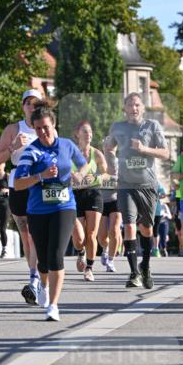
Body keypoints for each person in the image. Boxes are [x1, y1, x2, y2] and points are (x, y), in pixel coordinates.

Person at [14, 105, 89, 321]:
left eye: (45, 127)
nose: (42, 132)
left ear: (53, 125)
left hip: (64, 207)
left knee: (56, 255)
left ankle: (54, 305)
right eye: (37, 129)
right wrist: (41, 176)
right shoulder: (31, 151)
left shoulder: (66, 145)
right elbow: (18, 184)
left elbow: (83, 166)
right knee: (44, 261)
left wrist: (78, 175)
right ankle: (44, 287)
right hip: (37, 210)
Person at [104, 92, 169, 290]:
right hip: (125, 185)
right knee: (130, 225)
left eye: (138, 105)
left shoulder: (152, 126)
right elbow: (109, 148)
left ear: (143, 108)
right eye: (130, 105)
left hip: (147, 185)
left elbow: (165, 153)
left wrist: (144, 149)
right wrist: (111, 162)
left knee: (147, 229)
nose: (134, 108)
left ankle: (146, 266)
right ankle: (133, 273)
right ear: (124, 108)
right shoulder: (117, 127)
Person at [0, 89, 43, 304]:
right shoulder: (13, 129)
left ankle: (35, 280)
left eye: (35, 103)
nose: (32, 107)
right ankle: (34, 275)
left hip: (40, 183)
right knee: (25, 235)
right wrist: (13, 146)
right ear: (23, 106)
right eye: (28, 103)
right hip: (17, 182)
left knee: (36, 234)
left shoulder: (47, 126)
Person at [70, 121, 107, 282]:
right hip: (74, 195)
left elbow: (107, 174)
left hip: (93, 194)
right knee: (79, 238)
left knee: (92, 234)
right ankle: (80, 252)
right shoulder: (70, 153)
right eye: (85, 131)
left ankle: (90, 268)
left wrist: (98, 177)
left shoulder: (97, 154)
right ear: (77, 134)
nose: (89, 135)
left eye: (90, 132)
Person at [97, 160, 121, 273]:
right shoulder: (98, 162)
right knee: (101, 236)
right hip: (101, 202)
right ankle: (105, 249)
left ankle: (111, 260)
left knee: (114, 231)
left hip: (116, 201)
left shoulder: (119, 162)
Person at [152, 185, 171, 257]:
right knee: (148, 229)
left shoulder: (157, 184)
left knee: (155, 230)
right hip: (147, 210)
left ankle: (156, 249)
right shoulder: (142, 182)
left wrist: (157, 196)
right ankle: (150, 248)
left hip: (157, 211)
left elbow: (164, 194)